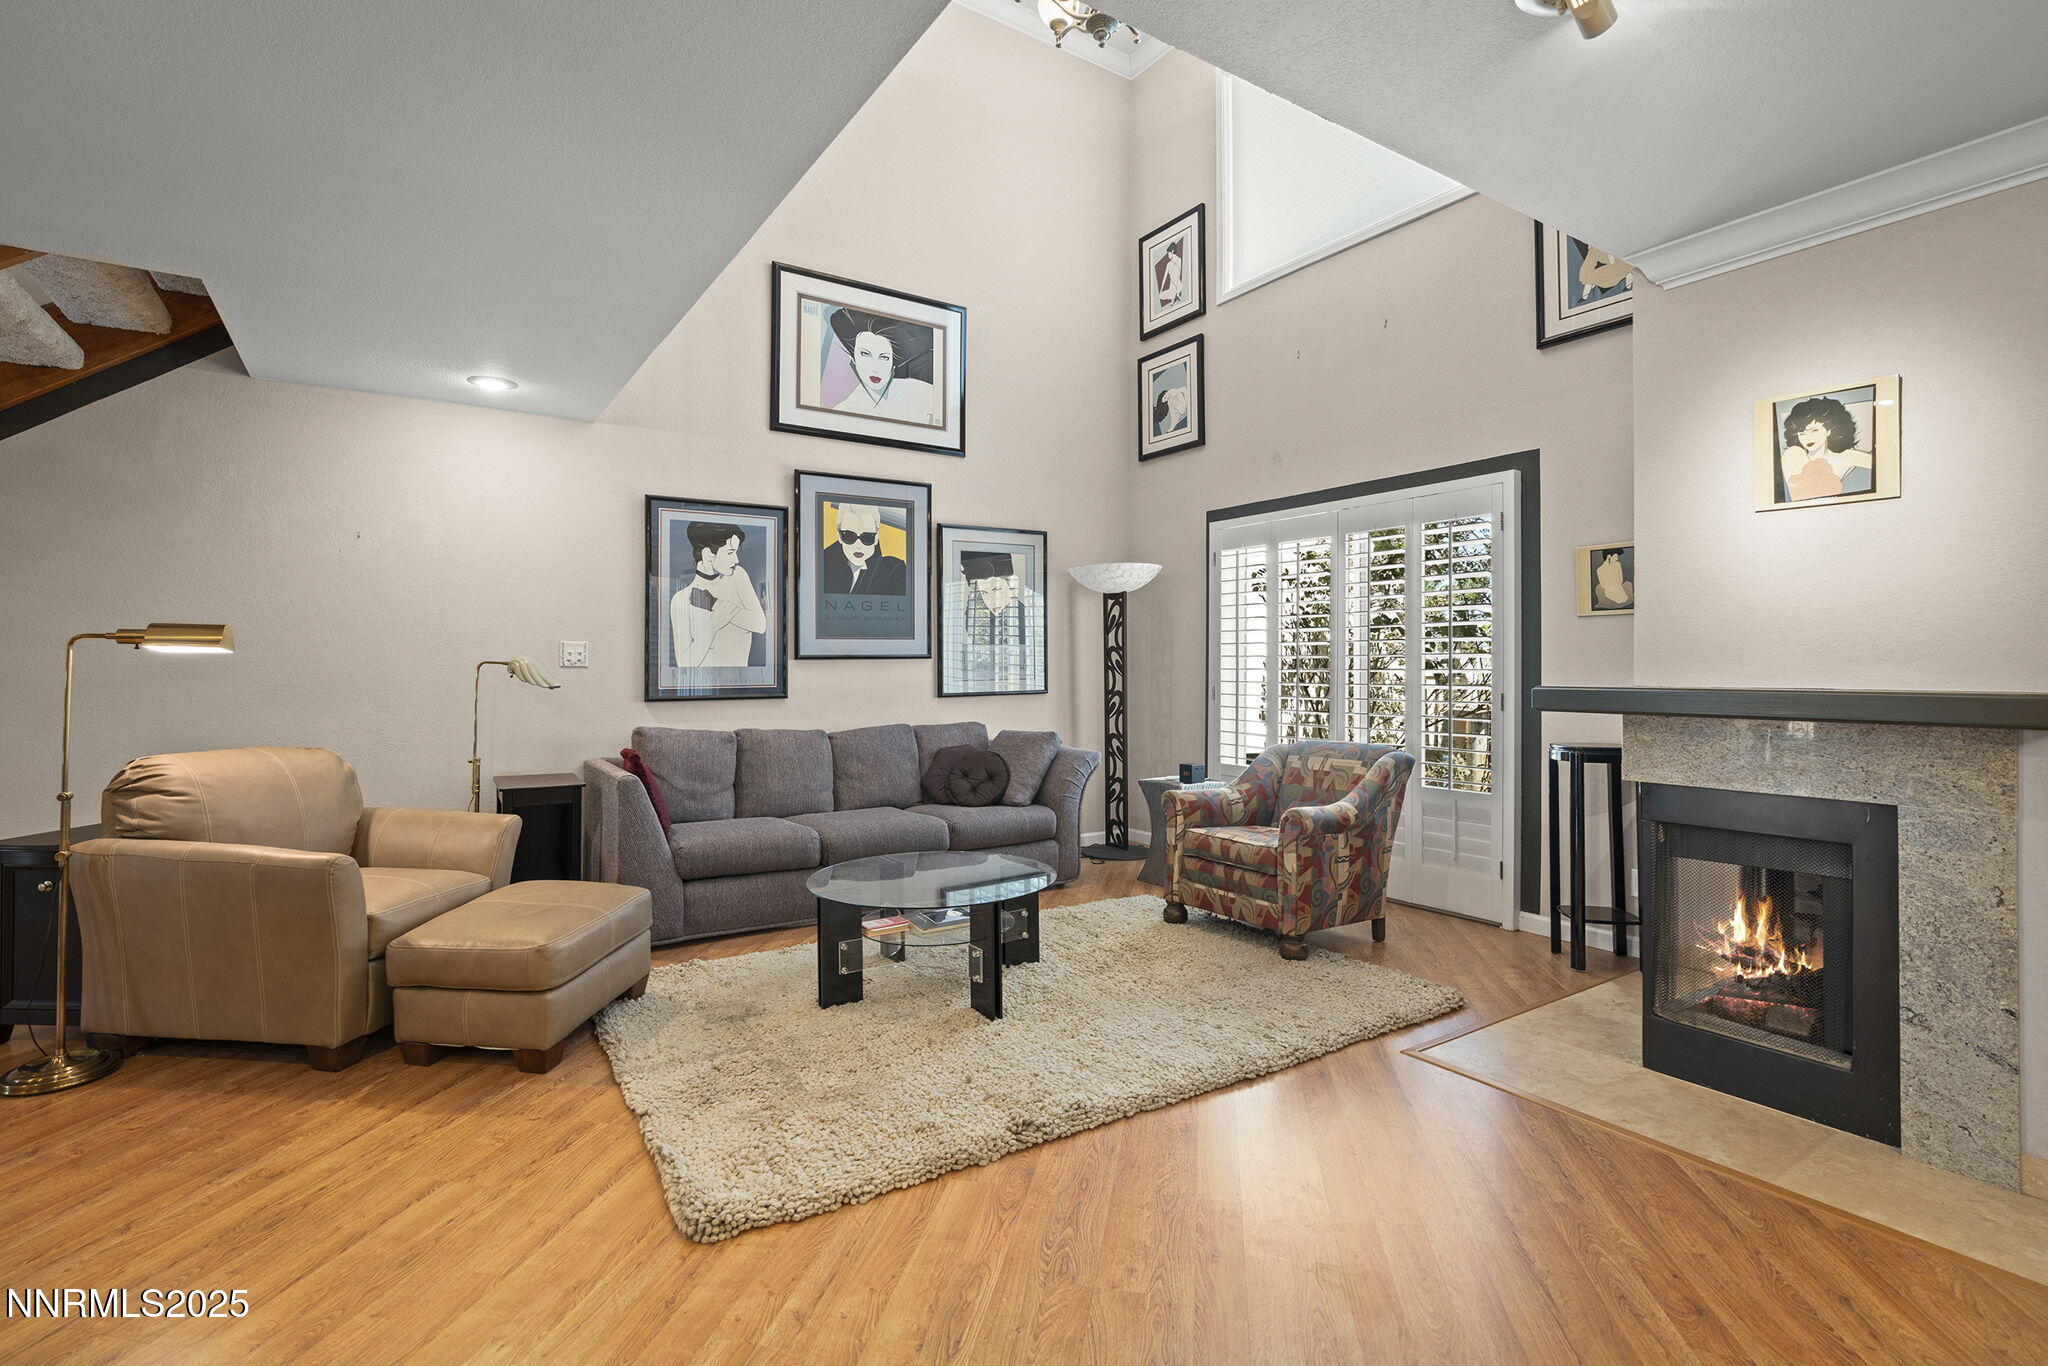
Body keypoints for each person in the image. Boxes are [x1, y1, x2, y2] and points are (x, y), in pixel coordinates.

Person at [670, 522, 766, 670]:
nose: (736, 560)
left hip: (743, 682)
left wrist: (714, 604)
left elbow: (760, 625)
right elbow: (684, 663)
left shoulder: (738, 576)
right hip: (703, 683)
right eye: (730, 552)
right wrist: (714, 623)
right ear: (708, 554)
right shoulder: (681, 599)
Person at [828, 308, 937, 425]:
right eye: (865, 354)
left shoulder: (918, 390)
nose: (875, 369)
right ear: (853, 358)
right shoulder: (845, 410)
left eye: (884, 357)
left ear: (892, 363)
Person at [1780, 396, 1871, 501]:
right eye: (1802, 434)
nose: (1808, 438)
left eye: (1814, 430)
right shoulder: (1794, 455)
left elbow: (1881, 464)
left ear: (1829, 431)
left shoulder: (1845, 456)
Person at [821, 503, 908, 596]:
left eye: (867, 537)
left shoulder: (893, 570)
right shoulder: (823, 566)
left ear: (876, 538)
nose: (858, 546)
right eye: (849, 537)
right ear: (839, 536)